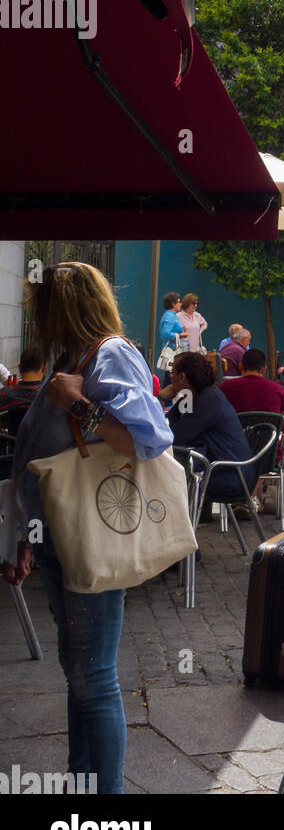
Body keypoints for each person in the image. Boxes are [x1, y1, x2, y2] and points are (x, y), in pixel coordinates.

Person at [6, 262, 174, 794]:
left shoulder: (110, 354)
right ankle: (85, 791)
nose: (34, 317)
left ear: (62, 307)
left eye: (41, 307)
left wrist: (77, 402)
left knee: (95, 678)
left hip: (89, 532)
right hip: (60, 532)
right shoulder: (73, 356)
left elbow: (149, 438)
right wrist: (24, 531)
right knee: (80, 674)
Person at [161, 352, 256, 503]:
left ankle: (176, 525)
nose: (169, 376)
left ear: (183, 377)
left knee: (164, 477)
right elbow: (167, 421)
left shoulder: (207, 400)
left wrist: (159, 399)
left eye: (172, 372)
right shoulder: (193, 396)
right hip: (216, 468)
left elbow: (174, 437)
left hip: (231, 476)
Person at [220, 347, 284, 429]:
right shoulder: (277, 389)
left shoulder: (224, 387)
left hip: (234, 440)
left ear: (240, 366)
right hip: (268, 440)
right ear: (263, 370)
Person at [0, 346, 45, 436]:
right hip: (40, 447)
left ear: (19, 368)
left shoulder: (3, 395)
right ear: (44, 369)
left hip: (11, 446)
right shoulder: (49, 396)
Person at [159, 291, 186, 362]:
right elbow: (165, 333)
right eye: (179, 302)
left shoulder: (171, 315)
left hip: (173, 351)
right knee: (171, 371)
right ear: (173, 304)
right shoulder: (170, 316)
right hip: (172, 352)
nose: (181, 304)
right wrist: (180, 335)